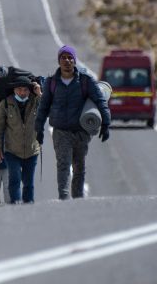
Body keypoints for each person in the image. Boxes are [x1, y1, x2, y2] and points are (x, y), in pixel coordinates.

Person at [35, 45, 111, 200]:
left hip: (81, 132)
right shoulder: (51, 82)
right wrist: (39, 129)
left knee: (79, 167)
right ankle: (63, 197)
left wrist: (106, 124)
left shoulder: (85, 81)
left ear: (74, 61)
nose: (67, 61)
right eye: (63, 57)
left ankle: (77, 199)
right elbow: (43, 107)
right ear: (59, 61)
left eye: (70, 58)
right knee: (63, 165)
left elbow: (100, 101)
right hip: (61, 132)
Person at [0, 76, 42, 204]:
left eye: (25, 90)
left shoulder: (36, 101)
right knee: (14, 180)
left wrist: (39, 94)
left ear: (29, 91)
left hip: (32, 151)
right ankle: (15, 206)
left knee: (28, 182)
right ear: (14, 90)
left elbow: (49, 110)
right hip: (12, 151)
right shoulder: (6, 104)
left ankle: (29, 206)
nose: (22, 92)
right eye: (19, 89)